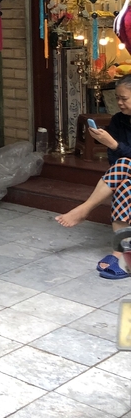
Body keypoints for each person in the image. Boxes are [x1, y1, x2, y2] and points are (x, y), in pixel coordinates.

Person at [55, 75, 131, 279]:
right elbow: (113, 159)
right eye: (118, 98)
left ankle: (85, 208)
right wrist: (113, 147)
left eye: (124, 98)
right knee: (124, 185)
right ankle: (122, 253)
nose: (119, 103)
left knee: (125, 163)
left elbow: (118, 154)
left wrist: (114, 144)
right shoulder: (117, 121)